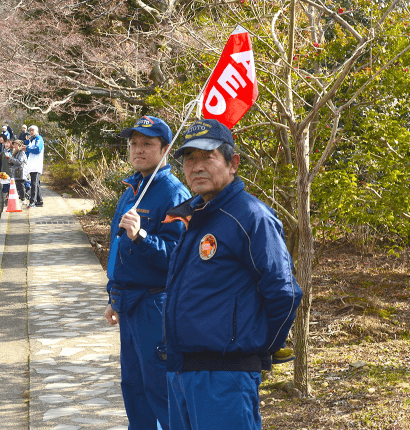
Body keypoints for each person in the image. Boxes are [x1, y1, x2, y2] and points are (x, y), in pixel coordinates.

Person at [163, 119, 303, 430]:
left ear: (233, 163)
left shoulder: (250, 216)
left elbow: (284, 293)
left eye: (207, 157)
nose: (197, 167)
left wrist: (260, 348)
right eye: (189, 158)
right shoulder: (197, 214)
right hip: (183, 371)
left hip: (224, 377)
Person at [104, 116, 191, 430]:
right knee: (134, 388)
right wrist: (113, 295)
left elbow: (175, 258)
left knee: (160, 390)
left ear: (165, 149)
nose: (138, 149)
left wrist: (141, 236)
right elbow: (117, 249)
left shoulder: (173, 194)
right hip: (127, 303)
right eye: (134, 143)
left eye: (148, 144)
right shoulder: (132, 188)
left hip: (155, 306)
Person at [24, 125, 45, 208]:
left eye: (33, 130)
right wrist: (26, 149)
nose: (31, 132)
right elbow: (29, 151)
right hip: (32, 164)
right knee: (36, 184)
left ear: (36, 131)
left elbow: (37, 150)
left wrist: (28, 148)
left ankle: (32, 201)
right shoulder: (31, 140)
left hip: (36, 164)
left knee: (34, 183)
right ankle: (40, 201)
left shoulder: (38, 139)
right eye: (30, 130)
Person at [8, 139, 28, 204]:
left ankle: (23, 199)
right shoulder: (15, 153)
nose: (14, 146)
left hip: (21, 171)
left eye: (16, 145)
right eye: (14, 145)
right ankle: (21, 198)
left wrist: (10, 158)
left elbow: (19, 161)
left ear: (19, 145)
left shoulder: (21, 152)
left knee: (21, 185)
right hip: (17, 172)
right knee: (18, 186)